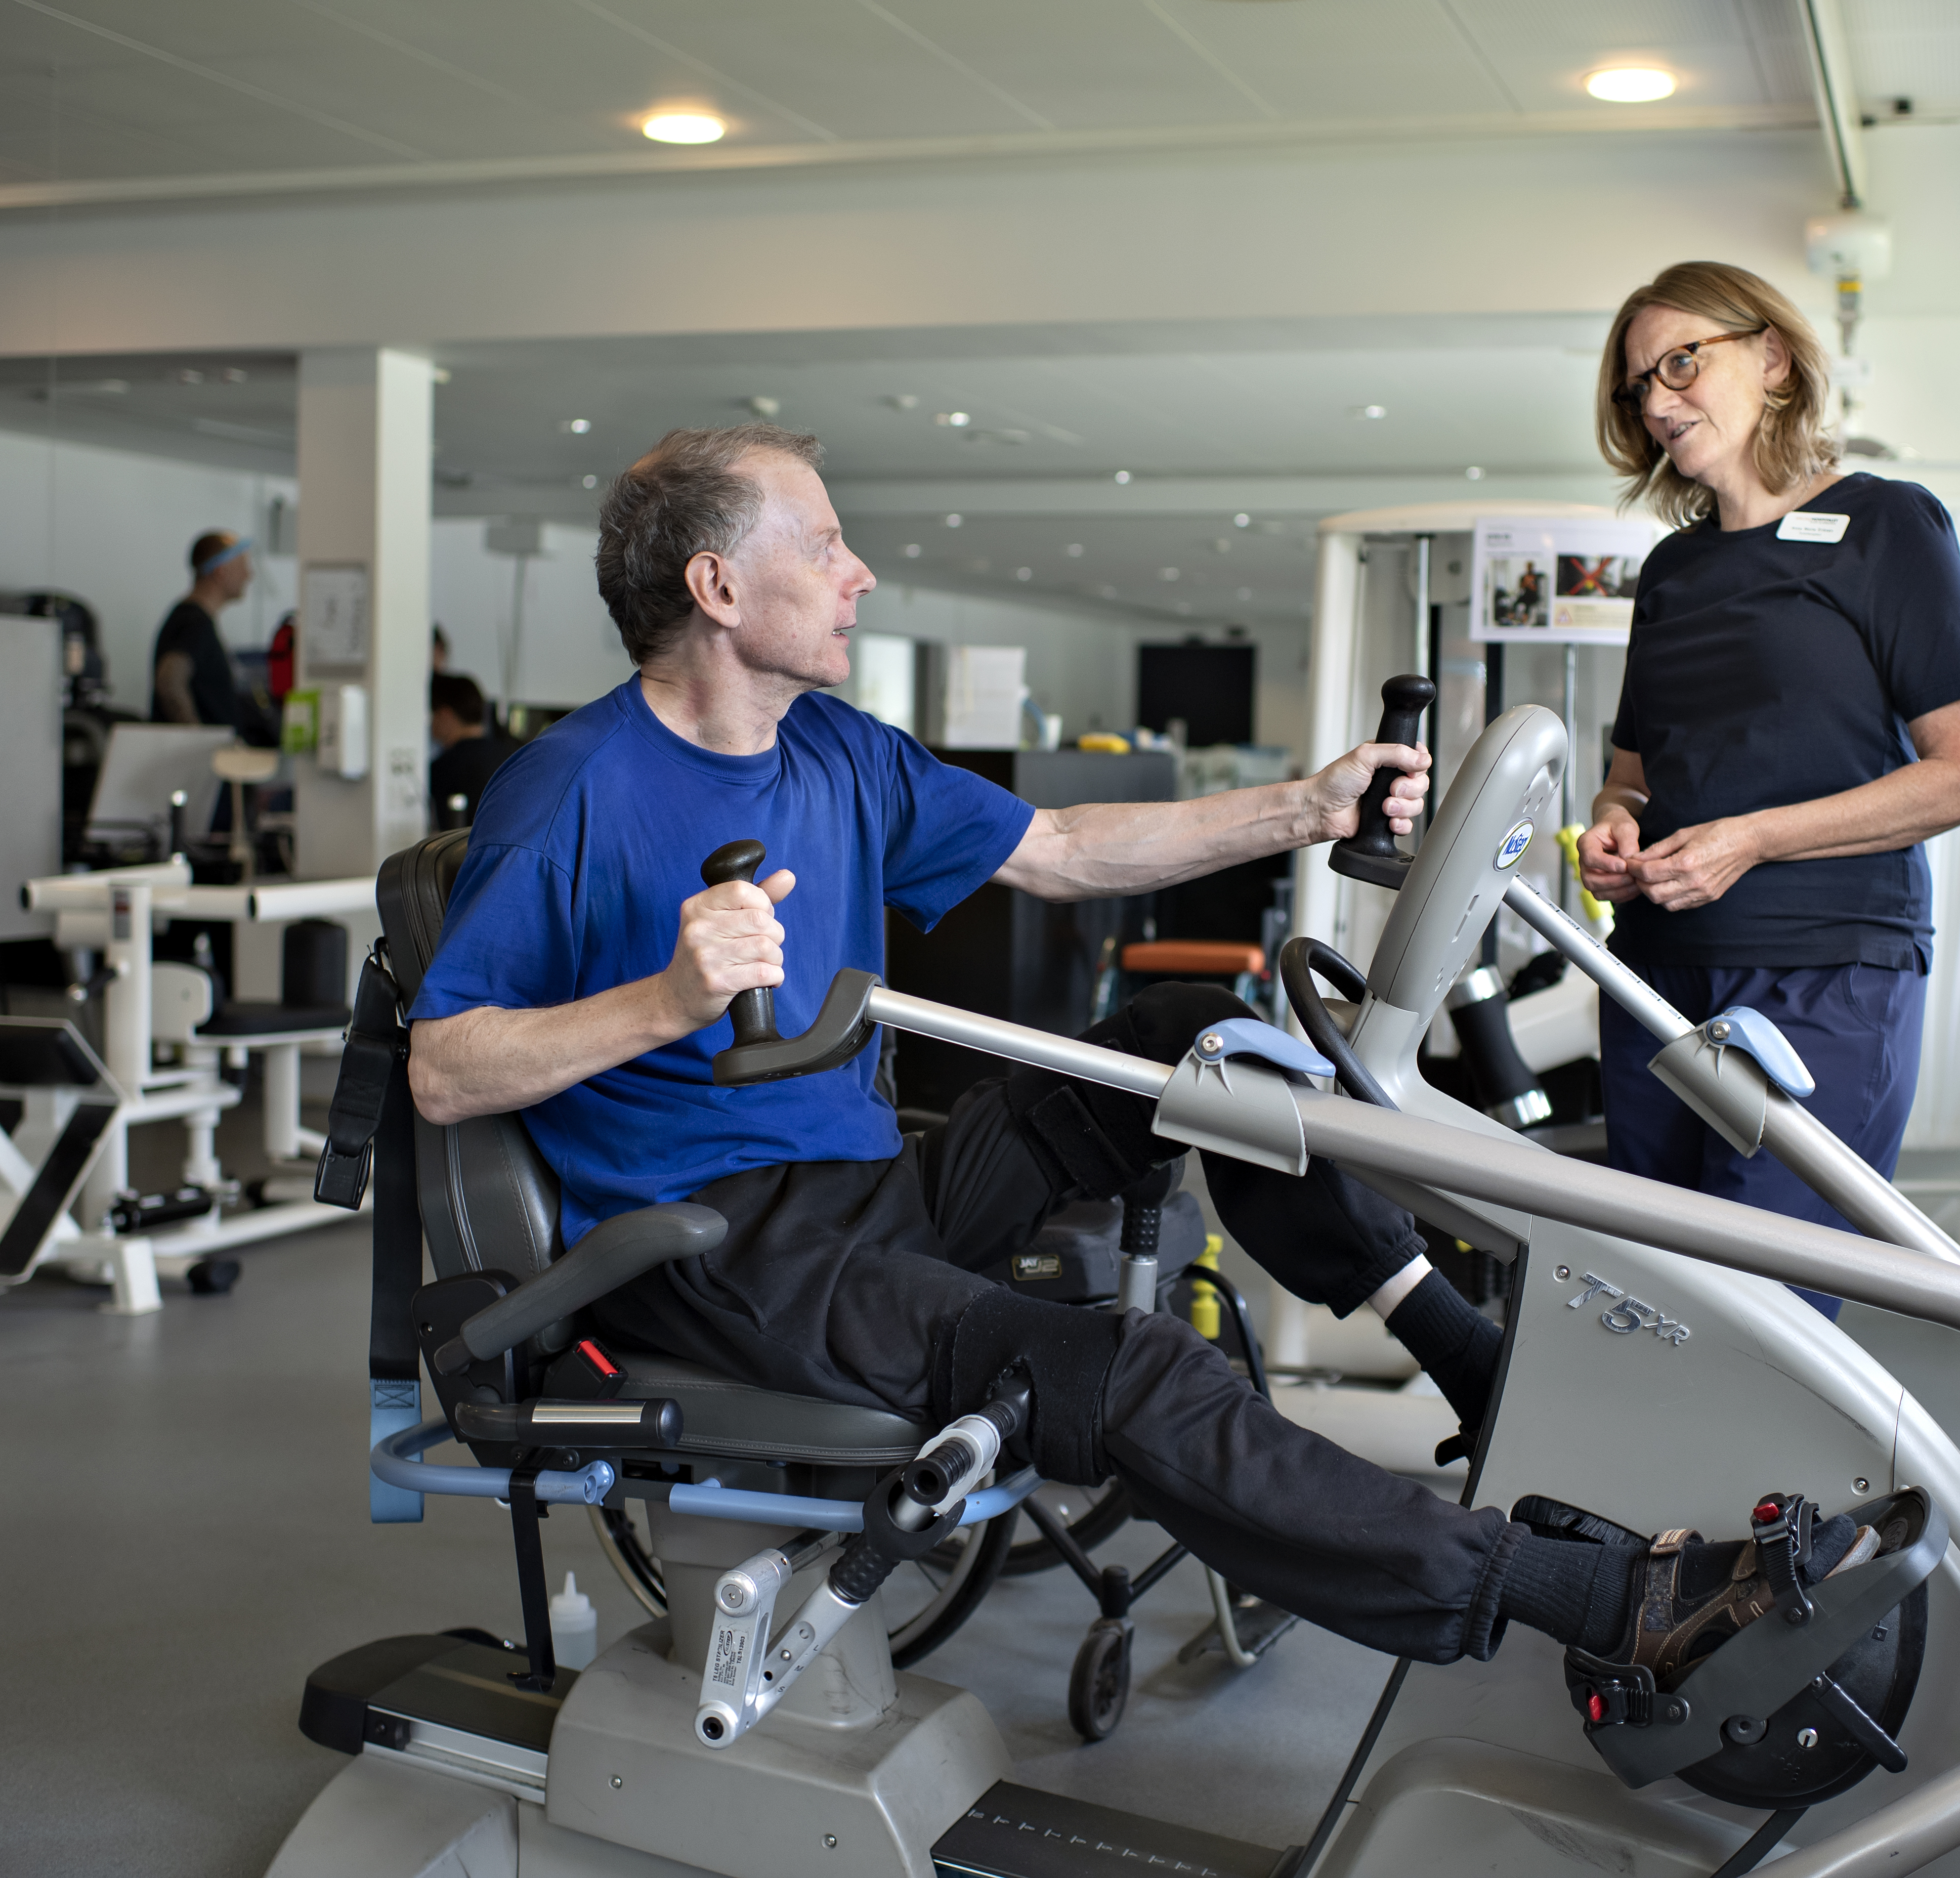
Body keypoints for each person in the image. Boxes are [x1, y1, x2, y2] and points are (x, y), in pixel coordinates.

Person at [405, 423, 1865, 1674]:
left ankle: (1463, 1353)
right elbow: (444, 1069)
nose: (860, 577)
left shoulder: (835, 749)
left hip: (871, 1189)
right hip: (723, 1252)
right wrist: (665, 1001)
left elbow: (1060, 847)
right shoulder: (572, 791)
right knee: (1134, 1368)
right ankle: (1600, 1604)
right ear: (718, 585)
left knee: (1198, 1045)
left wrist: (1310, 806)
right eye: (831, 546)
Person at [1577, 262, 1960, 1317]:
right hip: (1658, 979)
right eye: (1639, 386)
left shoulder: (1886, 527)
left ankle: (1780, 1492)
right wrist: (1613, 829)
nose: (1660, 399)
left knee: (1771, 1309)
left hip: (1826, 971)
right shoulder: (1672, 572)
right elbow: (1632, 777)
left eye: (1683, 361)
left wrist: (1752, 839)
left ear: (1771, 357)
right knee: (1653, 1298)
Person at [151, 531, 277, 744]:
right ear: (221, 572)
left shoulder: (194, 620)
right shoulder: (193, 622)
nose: (249, 575)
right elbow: (170, 682)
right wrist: (198, 744)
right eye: (242, 566)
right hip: (198, 766)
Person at [428, 672, 514, 830]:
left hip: (464, 853)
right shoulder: (512, 756)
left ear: (445, 715)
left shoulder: (443, 768)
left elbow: (444, 836)